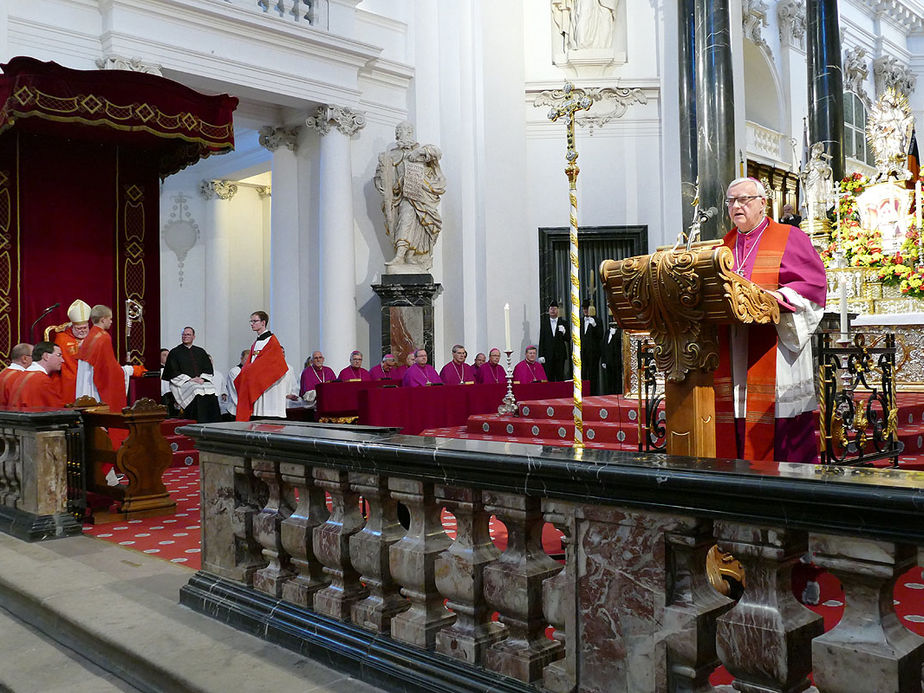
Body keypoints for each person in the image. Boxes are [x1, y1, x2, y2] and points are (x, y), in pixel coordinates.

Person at [717, 177, 827, 463]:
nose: (736, 206)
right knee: (738, 409)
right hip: (736, 345)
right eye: (731, 201)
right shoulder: (723, 246)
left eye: (744, 199)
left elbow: (812, 286)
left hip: (774, 343)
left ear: (762, 203)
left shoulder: (789, 237)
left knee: (777, 417)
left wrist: (778, 298)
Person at [374, 121, 447, 271]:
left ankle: (409, 256)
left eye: (402, 131)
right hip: (404, 195)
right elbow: (381, 177)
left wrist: (419, 153)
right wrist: (384, 185)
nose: (399, 134)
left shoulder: (421, 151)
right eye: (398, 132)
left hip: (421, 195)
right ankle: (401, 254)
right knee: (405, 220)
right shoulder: (392, 155)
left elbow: (437, 152)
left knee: (420, 226)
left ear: (410, 133)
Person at [76, 304, 141, 410]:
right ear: (103, 320)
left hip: (86, 382)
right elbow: (108, 368)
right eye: (110, 319)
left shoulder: (90, 335)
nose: (111, 322)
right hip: (94, 386)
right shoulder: (104, 337)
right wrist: (128, 370)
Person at [234, 311, 289, 421]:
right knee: (258, 413)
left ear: (263, 322)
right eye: (251, 321)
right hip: (257, 379)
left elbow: (274, 363)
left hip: (268, 383)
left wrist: (252, 370)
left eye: (255, 321)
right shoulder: (257, 342)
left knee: (267, 414)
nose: (252, 324)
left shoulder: (272, 341)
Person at [161, 327, 222, 423]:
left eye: (188, 334)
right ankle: (198, 421)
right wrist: (190, 379)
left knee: (211, 389)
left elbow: (208, 368)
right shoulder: (175, 352)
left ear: (194, 337)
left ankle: (213, 422)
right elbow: (172, 371)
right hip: (182, 383)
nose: (185, 336)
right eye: (184, 334)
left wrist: (202, 378)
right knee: (196, 390)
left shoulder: (200, 351)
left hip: (200, 381)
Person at [52, 299, 91, 403]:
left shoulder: (93, 337)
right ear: (72, 327)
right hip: (69, 376)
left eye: (85, 328)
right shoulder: (62, 339)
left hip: (90, 375)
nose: (82, 331)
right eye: (79, 328)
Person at [8, 342, 65, 408]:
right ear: (46, 356)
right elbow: (56, 409)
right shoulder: (42, 380)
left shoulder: (22, 375)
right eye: (59, 355)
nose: (62, 360)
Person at [539, 300, 569, 381]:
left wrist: (564, 332)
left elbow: (568, 339)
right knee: (549, 377)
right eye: (551, 309)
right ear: (548, 310)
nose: (552, 310)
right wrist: (541, 355)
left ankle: (561, 393)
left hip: (560, 355)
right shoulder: (544, 323)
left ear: (558, 311)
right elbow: (542, 339)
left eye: (554, 309)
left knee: (560, 377)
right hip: (548, 355)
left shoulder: (563, 323)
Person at [580, 299, 602, 395]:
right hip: (583, 352)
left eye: (587, 308)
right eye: (584, 308)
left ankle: (593, 393)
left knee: (593, 374)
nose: (585, 310)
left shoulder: (597, 320)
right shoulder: (580, 321)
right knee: (583, 374)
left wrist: (594, 325)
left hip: (593, 353)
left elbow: (600, 335)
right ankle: (584, 393)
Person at [600, 310, 622, 395]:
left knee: (617, 382)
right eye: (613, 317)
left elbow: (618, 346)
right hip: (608, 362)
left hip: (617, 362)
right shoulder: (607, 332)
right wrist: (603, 360)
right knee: (609, 382)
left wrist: (615, 335)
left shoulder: (620, 332)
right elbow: (604, 347)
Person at [224, 349, 248, 418]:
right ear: (241, 358)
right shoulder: (235, 371)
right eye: (246, 359)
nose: (248, 362)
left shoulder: (251, 371)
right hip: (235, 409)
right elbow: (237, 389)